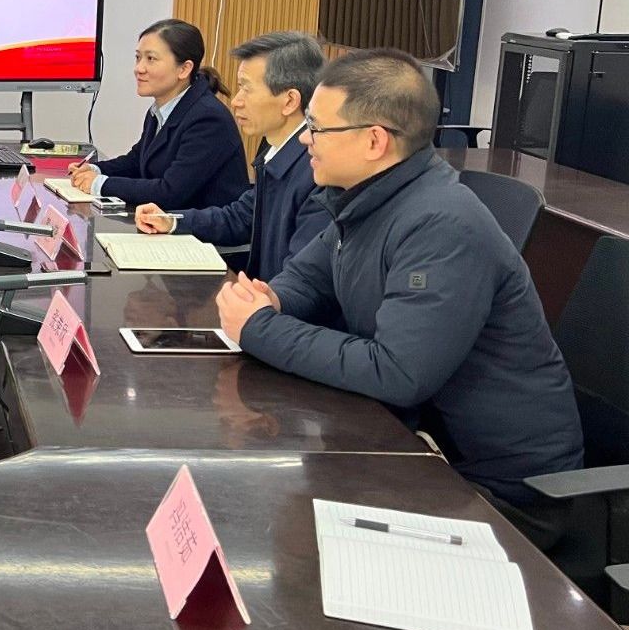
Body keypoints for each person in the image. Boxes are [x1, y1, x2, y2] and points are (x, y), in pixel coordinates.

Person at [216, 49, 583, 543]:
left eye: (318, 128)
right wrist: (270, 300)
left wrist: (260, 327)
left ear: (374, 140)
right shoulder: (364, 198)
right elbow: (306, 279)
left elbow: (398, 371)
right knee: (261, 506)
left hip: (500, 492)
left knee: (273, 530)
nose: (305, 139)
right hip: (414, 443)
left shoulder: (441, 225)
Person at [133, 31, 328, 280]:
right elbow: (240, 217)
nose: (236, 101)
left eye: (247, 89)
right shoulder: (275, 150)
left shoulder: (317, 170)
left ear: (289, 101)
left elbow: (303, 278)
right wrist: (172, 221)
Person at [70, 18, 248, 209]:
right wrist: (95, 169)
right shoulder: (160, 110)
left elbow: (170, 192)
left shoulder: (208, 119)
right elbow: (137, 161)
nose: (139, 69)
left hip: (199, 226)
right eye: (138, 58)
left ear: (184, 69)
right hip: (162, 220)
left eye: (151, 59)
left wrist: (100, 184)